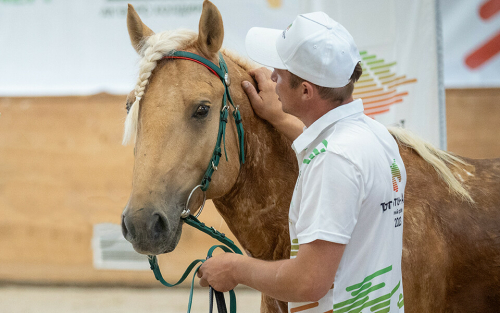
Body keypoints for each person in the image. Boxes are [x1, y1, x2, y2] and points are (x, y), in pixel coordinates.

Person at [198, 11, 406, 313]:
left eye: (279, 74)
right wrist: (280, 117)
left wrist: (234, 269)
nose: (271, 79)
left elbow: (310, 282)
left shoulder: (333, 161)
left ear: (306, 90)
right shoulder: (376, 136)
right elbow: (330, 150)